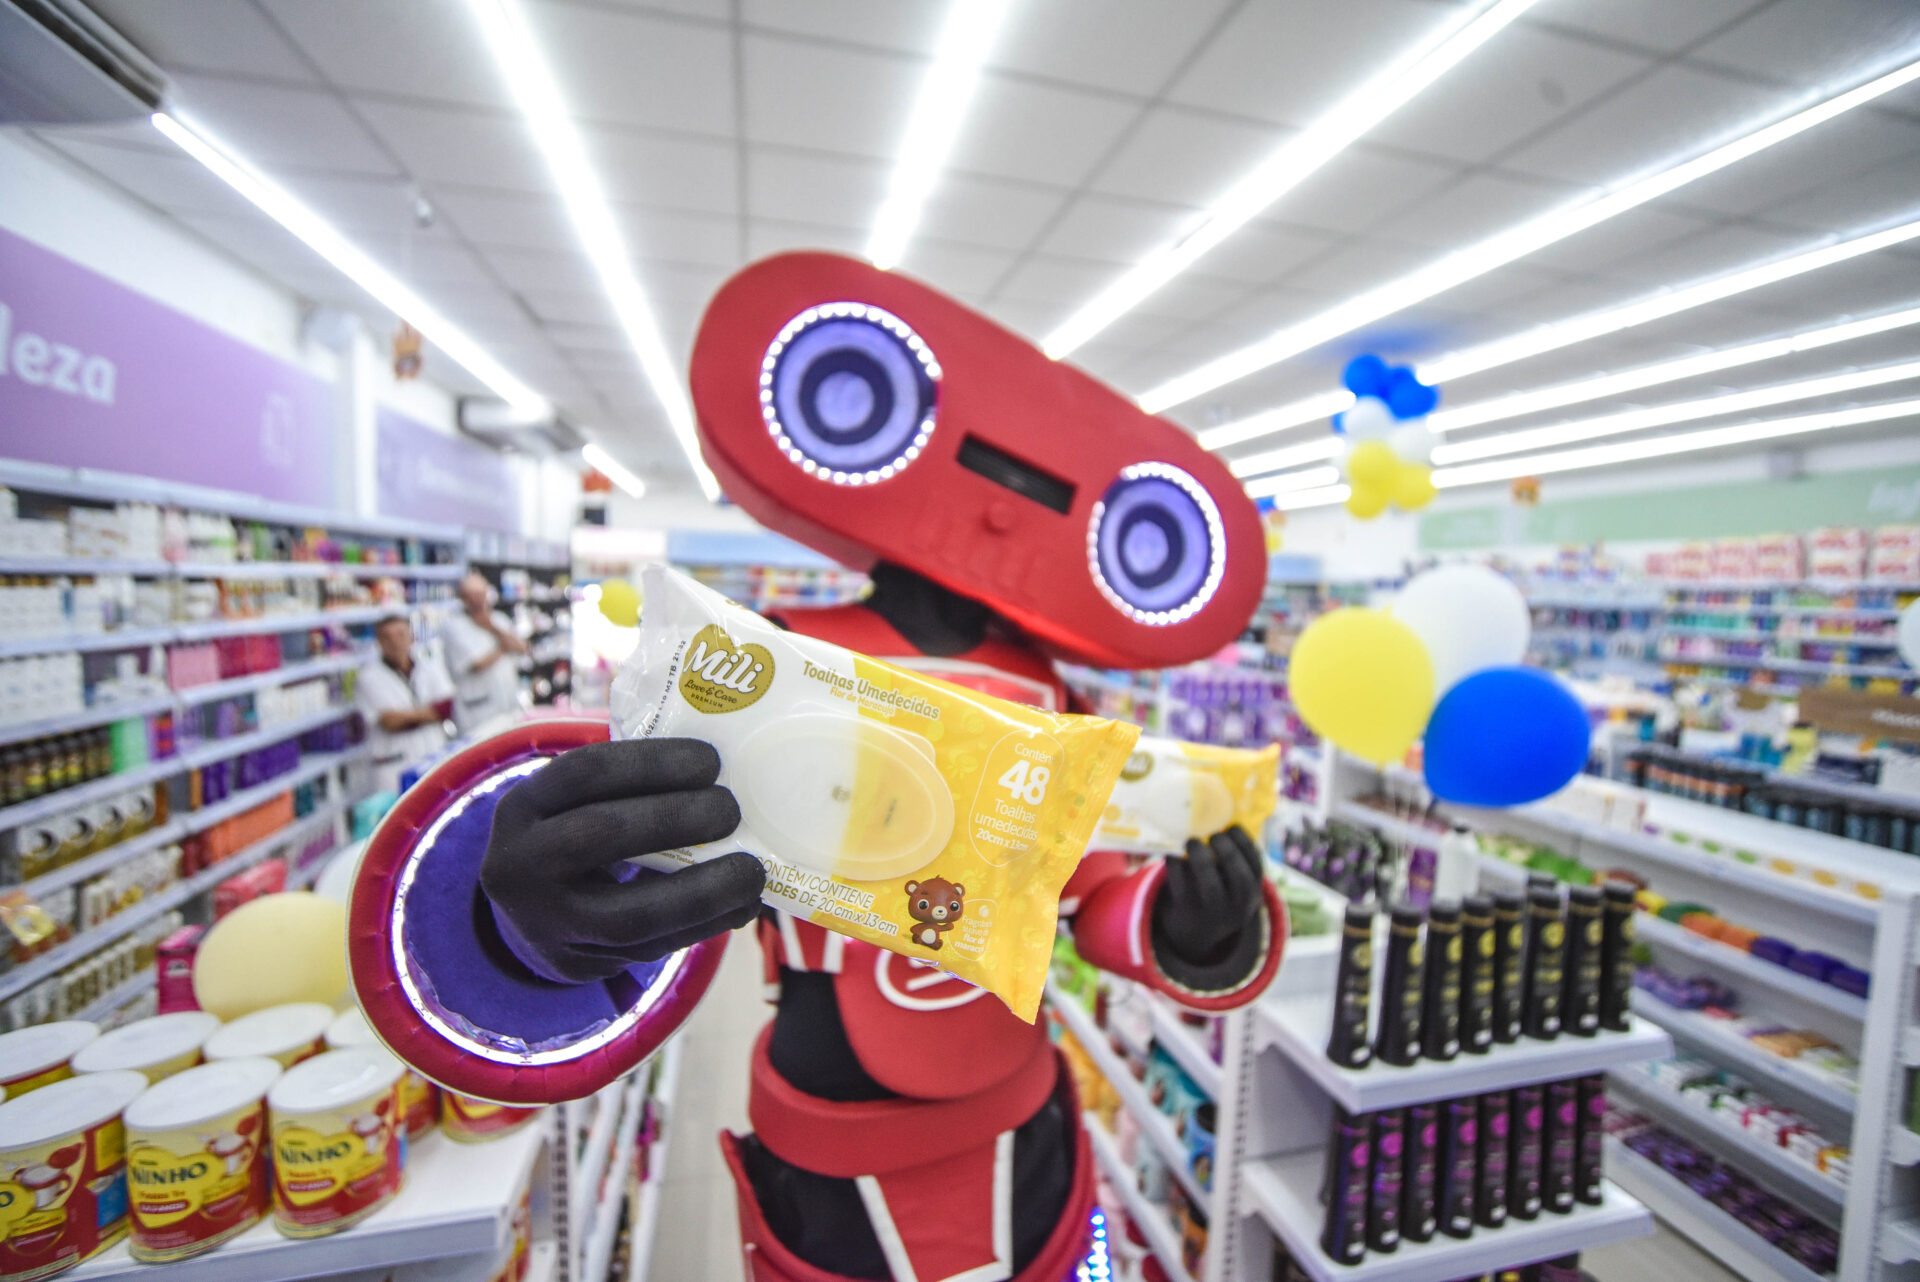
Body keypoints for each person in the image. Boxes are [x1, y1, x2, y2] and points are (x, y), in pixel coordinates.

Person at [355, 252, 1282, 1282]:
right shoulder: (774, 655)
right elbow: (658, 848)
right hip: (835, 1138)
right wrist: (530, 925)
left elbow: (1091, 890)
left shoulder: (1052, 696)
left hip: (1029, 1131)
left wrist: (1186, 924)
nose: (999, 502)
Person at [357, 615, 455, 794]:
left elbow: (446, 709)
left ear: (411, 637)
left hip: (433, 754)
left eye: (400, 634)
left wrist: (406, 716)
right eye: (387, 637)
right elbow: (390, 723)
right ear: (378, 642)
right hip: (394, 764)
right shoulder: (368, 677)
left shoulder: (429, 666)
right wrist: (430, 713)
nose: (395, 642)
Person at [441, 571, 528, 736]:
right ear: (463, 598)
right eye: (471, 595)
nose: (478, 600)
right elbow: (477, 664)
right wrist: (503, 647)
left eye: (481, 594)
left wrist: (491, 627)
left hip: (507, 706)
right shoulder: (454, 627)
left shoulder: (499, 619)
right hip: (477, 713)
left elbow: (522, 648)